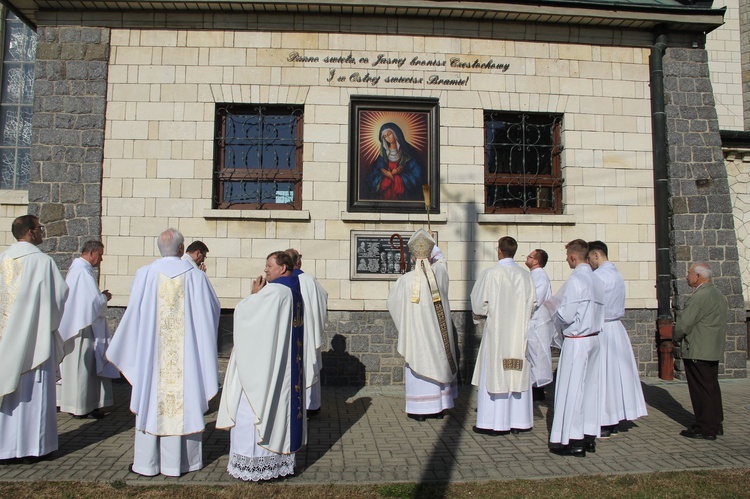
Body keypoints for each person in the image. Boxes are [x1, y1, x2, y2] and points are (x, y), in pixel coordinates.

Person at [106, 228, 220, 477]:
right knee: (185, 399)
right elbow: (212, 310)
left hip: (152, 359)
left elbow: (134, 314)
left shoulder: (145, 274)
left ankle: (147, 464)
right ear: (181, 249)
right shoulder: (196, 277)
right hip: (185, 360)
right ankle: (182, 463)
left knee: (151, 401)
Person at [217, 251, 305, 481]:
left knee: (253, 411)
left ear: (283, 268)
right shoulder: (293, 292)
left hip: (264, 367)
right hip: (282, 366)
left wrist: (253, 296)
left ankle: (254, 463)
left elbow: (247, 316)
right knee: (279, 409)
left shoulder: (274, 292)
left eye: (269, 265)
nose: (265, 270)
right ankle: (276, 464)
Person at [0, 215, 68, 461]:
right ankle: (34, 449)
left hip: (5, 343)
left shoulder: (2, 259)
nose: (42, 232)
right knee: (34, 397)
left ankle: (5, 448)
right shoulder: (42, 262)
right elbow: (59, 297)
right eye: (40, 228)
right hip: (35, 339)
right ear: (30, 232)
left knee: (7, 395)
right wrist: (48, 322)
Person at [387, 229, 458, 421]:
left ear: (413, 257)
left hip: (416, 335)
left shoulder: (405, 281)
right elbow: (442, 260)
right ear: (429, 254)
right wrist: (432, 243)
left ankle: (420, 409)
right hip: (437, 335)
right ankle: (439, 407)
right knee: (438, 361)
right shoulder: (440, 273)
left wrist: (405, 324)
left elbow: (392, 304)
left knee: (419, 363)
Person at [470, 236, 536, 435]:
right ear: (514, 252)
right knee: (517, 374)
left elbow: (478, 302)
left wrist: (480, 315)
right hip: (518, 332)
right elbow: (534, 303)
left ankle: (494, 423)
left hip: (498, 333)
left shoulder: (491, 274)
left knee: (495, 371)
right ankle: (519, 422)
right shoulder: (526, 276)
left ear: (499, 250)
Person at [545, 239, 604, 457]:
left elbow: (566, 314)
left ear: (572, 257)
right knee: (590, 388)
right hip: (594, 337)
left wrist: (555, 315)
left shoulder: (576, 280)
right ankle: (588, 435)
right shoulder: (596, 279)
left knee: (572, 389)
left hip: (578, 339)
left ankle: (573, 439)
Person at [587, 241, 647, 437]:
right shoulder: (616, 274)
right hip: (615, 329)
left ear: (596, 255)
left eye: (589, 259)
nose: (589, 263)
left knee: (603, 375)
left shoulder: (598, 277)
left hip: (603, 327)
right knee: (615, 375)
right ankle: (616, 415)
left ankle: (605, 418)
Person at [57, 240, 119, 420]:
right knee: (84, 371)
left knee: (77, 369)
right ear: (91, 253)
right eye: (99, 255)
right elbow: (92, 304)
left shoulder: (77, 269)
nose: (101, 259)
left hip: (77, 326)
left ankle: (76, 405)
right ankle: (83, 406)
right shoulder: (83, 272)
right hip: (83, 330)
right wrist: (104, 297)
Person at [673, 262, 727, 441]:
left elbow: (684, 324)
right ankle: (715, 423)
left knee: (700, 390)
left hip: (698, 349)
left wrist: (676, 337)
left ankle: (705, 427)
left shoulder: (700, 296)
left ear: (698, 276)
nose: (686, 277)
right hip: (712, 348)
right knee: (711, 387)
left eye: (689, 273)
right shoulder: (718, 294)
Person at [286, 248, 328, 417]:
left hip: (289, 333)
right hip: (308, 332)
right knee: (309, 361)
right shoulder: (310, 281)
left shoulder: (282, 282)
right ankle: (312, 405)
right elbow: (323, 298)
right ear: (299, 262)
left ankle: (292, 405)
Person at [364, 122, 423, 201]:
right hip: (386, 191)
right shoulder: (383, 155)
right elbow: (374, 172)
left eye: (389, 134)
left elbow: (418, 173)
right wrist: (387, 176)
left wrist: (397, 177)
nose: (388, 138)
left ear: (396, 133)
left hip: (402, 191)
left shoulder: (408, 152)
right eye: (385, 136)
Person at [524, 249, 554, 398]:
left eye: (530, 256)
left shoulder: (540, 276)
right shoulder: (532, 275)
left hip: (537, 323)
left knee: (538, 355)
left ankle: (538, 390)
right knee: (532, 355)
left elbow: (535, 299)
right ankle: (533, 387)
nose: (527, 257)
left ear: (536, 261)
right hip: (531, 322)